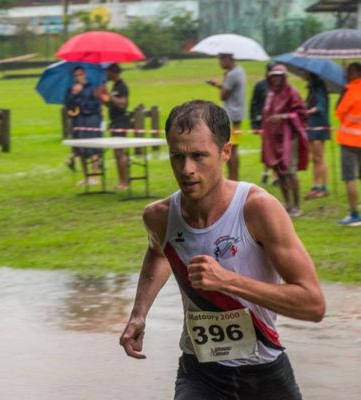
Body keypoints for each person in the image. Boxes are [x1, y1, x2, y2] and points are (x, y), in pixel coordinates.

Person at [119, 100, 325, 400]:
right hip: (199, 373)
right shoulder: (159, 216)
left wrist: (227, 280)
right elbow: (158, 251)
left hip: (264, 374)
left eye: (199, 156)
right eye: (177, 157)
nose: (187, 169)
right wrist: (139, 314)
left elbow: (313, 304)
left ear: (225, 152)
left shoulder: (258, 209)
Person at [261, 64, 308, 217]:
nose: (276, 79)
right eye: (273, 76)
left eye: (279, 76)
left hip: (289, 138)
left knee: (290, 171)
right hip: (274, 139)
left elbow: (301, 112)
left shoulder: (292, 93)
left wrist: (283, 117)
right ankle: (287, 203)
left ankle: (297, 205)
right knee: (279, 171)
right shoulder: (270, 95)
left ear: (284, 77)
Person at [206, 53, 246, 181]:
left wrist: (224, 80)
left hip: (230, 116)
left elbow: (223, 96)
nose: (220, 63)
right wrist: (218, 84)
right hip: (237, 115)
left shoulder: (231, 74)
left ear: (229, 59)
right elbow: (229, 90)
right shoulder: (239, 71)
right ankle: (234, 178)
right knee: (233, 147)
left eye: (221, 59)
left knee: (230, 148)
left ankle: (233, 179)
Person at [65, 66, 103, 185]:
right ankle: (86, 177)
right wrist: (75, 93)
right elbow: (69, 105)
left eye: (80, 74)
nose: (78, 77)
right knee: (81, 148)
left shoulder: (93, 87)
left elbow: (94, 104)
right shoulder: (71, 89)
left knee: (93, 148)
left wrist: (82, 96)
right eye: (76, 75)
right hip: (79, 121)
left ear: (85, 74)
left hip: (91, 119)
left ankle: (95, 176)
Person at [335, 62, 361, 226]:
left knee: (349, 178)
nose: (345, 74)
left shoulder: (351, 91)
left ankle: (354, 214)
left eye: (347, 71)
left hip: (350, 141)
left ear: (354, 72)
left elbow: (340, 113)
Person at [100, 63, 130, 190]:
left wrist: (110, 95)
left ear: (113, 72)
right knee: (117, 153)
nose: (106, 74)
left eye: (107, 72)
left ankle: (124, 182)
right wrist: (102, 98)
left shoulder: (122, 86)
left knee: (119, 153)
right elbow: (112, 105)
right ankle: (121, 181)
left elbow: (122, 104)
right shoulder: (114, 86)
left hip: (120, 122)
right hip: (114, 122)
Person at [303, 72, 331, 200]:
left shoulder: (318, 86)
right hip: (312, 124)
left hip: (319, 124)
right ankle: (315, 187)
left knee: (319, 157)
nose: (303, 73)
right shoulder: (312, 85)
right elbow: (311, 102)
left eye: (304, 71)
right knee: (315, 158)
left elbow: (320, 106)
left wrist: (307, 110)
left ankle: (324, 187)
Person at [250, 62, 276, 185]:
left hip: (277, 122)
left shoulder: (279, 85)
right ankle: (266, 173)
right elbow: (254, 104)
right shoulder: (260, 85)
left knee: (275, 148)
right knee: (268, 147)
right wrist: (254, 123)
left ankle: (275, 176)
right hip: (264, 122)